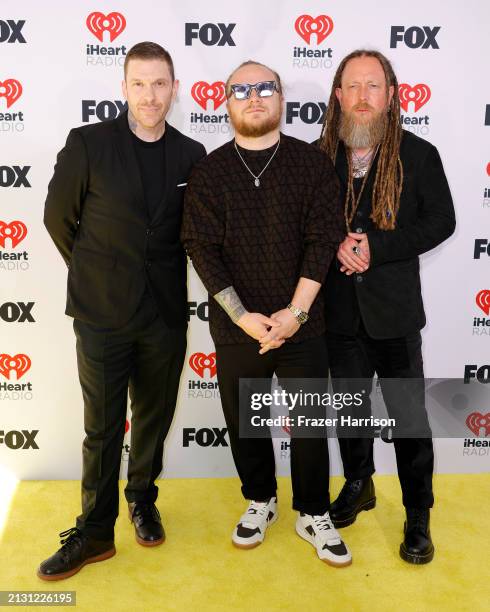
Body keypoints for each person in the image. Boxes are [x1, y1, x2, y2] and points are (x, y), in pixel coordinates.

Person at [39, 41, 206, 580]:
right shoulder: (88, 143)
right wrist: (97, 273)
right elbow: (57, 220)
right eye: (140, 83)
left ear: (175, 89)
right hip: (103, 313)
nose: (150, 95)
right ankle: (93, 533)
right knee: (103, 427)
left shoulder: (191, 154)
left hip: (164, 315)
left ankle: (142, 498)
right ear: (123, 87)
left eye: (160, 84)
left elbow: (195, 235)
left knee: (154, 419)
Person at [182, 60, 351, 567]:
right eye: (241, 89)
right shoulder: (208, 172)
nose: (253, 97)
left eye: (265, 88)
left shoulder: (312, 164)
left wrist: (294, 314)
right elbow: (201, 248)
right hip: (239, 329)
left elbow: (323, 240)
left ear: (280, 99)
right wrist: (243, 317)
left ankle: (313, 512)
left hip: (303, 323)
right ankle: (261, 500)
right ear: (226, 101)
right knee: (246, 423)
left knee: (309, 424)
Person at [317, 49, 455, 564]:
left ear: (391, 96)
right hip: (339, 315)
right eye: (352, 87)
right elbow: (307, 222)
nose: (362, 97)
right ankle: (359, 485)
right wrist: (335, 243)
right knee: (351, 413)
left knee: (409, 420)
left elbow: (441, 221)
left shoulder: (419, 154)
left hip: (394, 316)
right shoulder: (319, 155)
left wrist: (377, 247)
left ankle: (417, 514)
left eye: (373, 86)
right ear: (337, 96)